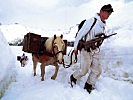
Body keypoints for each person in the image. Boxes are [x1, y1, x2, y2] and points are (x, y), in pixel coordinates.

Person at [70, 4, 114, 93]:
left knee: (97, 70)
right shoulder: (92, 21)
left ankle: (89, 84)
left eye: (109, 14)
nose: (108, 16)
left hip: (95, 50)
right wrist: (75, 48)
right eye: (107, 13)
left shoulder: (102, 25)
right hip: (85, 50)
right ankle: (73, 77)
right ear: (101, 11)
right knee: (84, 71)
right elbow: (80, 34)